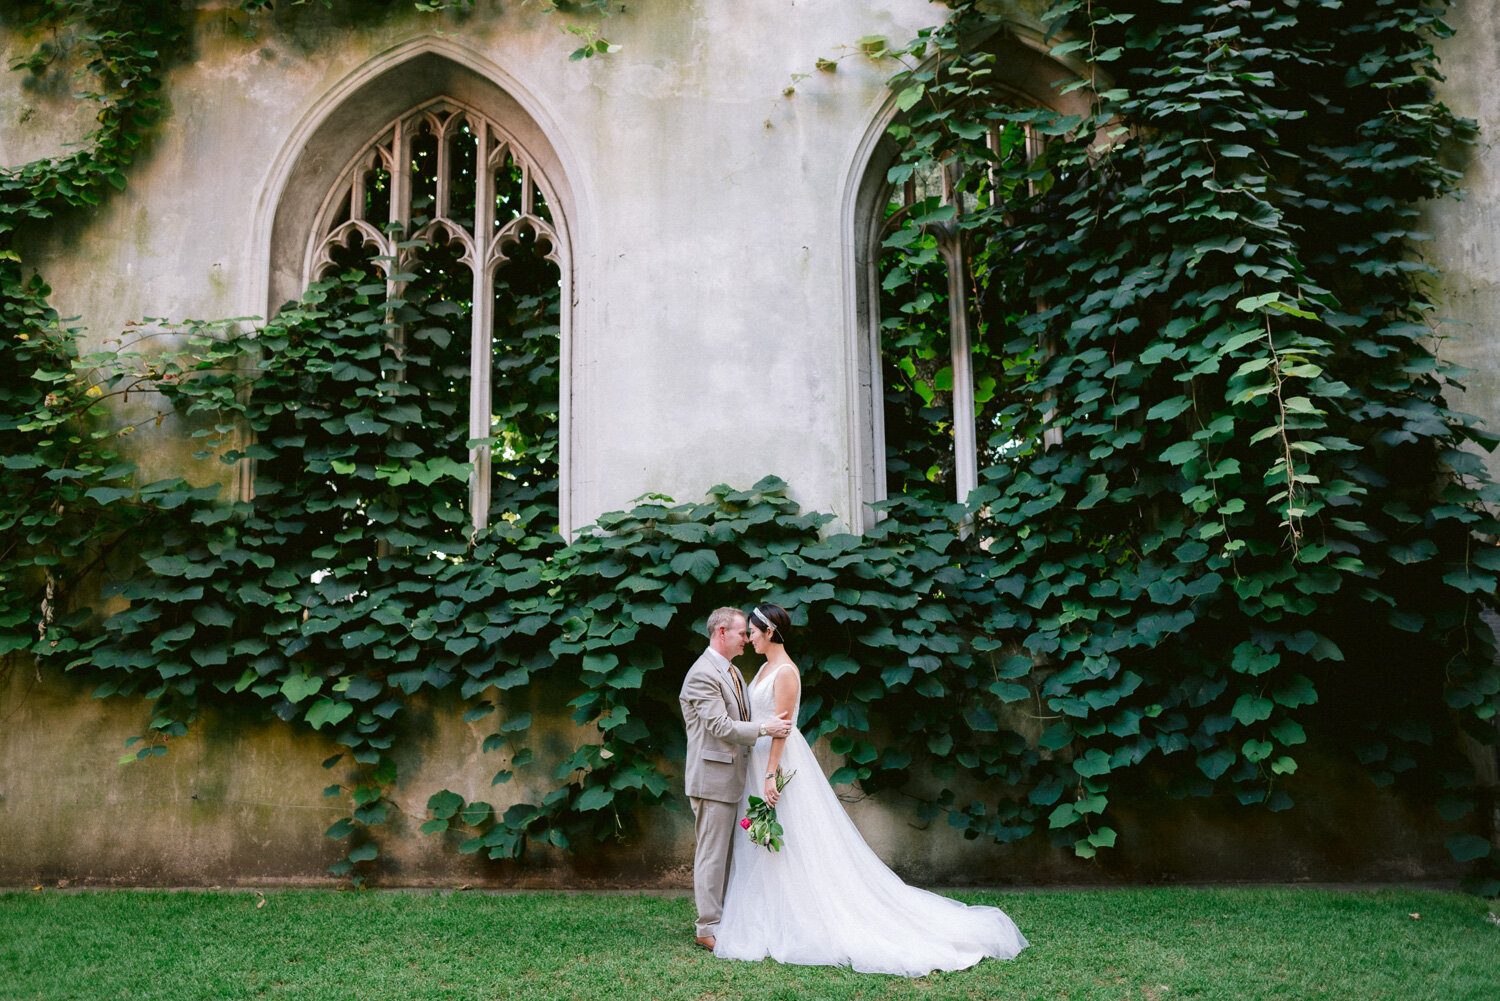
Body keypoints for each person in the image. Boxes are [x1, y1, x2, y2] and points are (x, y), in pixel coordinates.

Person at [713, 602, 1030, 976]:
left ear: (769, 632)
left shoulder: (786, 672)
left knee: (795, 839)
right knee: (771, 842)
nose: (748, 638)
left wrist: (769, 775)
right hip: (759, 758)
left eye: (752, 631)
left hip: (777, 761)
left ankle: (806, 915)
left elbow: (782, 729)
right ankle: (769, 914)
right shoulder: (765, 667)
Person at [678, 606, 793, 951]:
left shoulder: (731, 670)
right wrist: (765, 728)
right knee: (712, 855)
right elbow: (720, 726)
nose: (747, 639)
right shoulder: (702, 674)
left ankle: (723, 917)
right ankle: (707, 928)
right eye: (742, 633)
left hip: (733, 776)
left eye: (749, 633)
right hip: (712, 778)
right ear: (721, 633)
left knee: (727, 854)